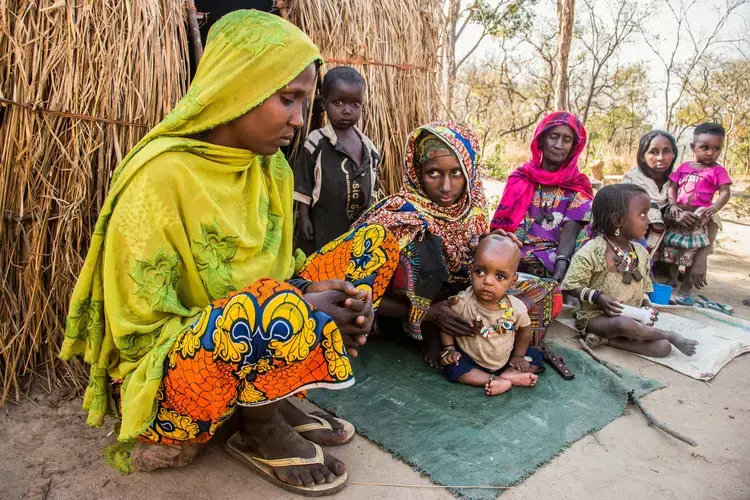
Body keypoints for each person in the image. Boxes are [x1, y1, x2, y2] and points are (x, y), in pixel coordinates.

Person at [59, 11, 400, 496]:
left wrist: (314, 290)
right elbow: (139, 331)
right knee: (267, 312)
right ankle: (258, 428)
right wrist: (295, 306)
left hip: (250, 326)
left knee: (372, 247)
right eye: (288, 100)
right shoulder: (161, 179)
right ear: (241, 86)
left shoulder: (271, 170)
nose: (300, 119)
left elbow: (280, 274)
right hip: (178, 382)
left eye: (304, 102)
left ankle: (270, 400)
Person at [562, 184, 698, 357]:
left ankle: (607, 341)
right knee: (624, 325)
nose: (648, 221)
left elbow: (643, 287)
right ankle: (669, 335)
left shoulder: (640, 252)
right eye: (643, 214)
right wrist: (599, 297)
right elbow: (570, 285)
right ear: (618, 220)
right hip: (598, 318)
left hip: (633, 316)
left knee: (662, 348)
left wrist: (647, 305)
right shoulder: (592, 251)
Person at [491, 112, 593, 283]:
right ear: (541, 140)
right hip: (515, 256)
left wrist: (559, 273)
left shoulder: (577, 186)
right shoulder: (520, 179)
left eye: (567, 140)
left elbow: (571, 233)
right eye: (553, 137)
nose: (559, 145)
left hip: (561, 261)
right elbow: (511, 228)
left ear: (574, 147)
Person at [440, 234, 543, 395]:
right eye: (480, 272)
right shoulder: (463, 301)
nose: (488, 281)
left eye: (500, 276)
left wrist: (517, 356)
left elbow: (525, 330)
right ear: (471, 270)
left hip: (506, 358)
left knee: (535, 355)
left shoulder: (516, 307)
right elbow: (446, 322)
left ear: (513, 281)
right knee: (454, 367)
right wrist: (449, 349)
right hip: (472, 360)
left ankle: (510, 372)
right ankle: (492, 379)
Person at [294, 66, 380, 253]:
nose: (347, 111)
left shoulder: (371, 150)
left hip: (356, 231)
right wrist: (304, 218)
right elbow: (304, 183)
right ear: (324, 104)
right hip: (322, 226)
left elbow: (373, 191)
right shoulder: (316, 143)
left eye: (355, 104)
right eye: (339, 103)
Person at [662, 123, 732, 297]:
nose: (710, 152)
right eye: (704, 147)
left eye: (716, 148)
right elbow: (672, 187)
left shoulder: (718, 171)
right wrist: (673, 205)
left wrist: (715, 208)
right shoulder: (684, 167)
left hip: (698, 218)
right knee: (672, 248)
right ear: (693, 147)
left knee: (692, 252)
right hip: (678, 216)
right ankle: (671, 279)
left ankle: (686, 285)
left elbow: (725, 192)